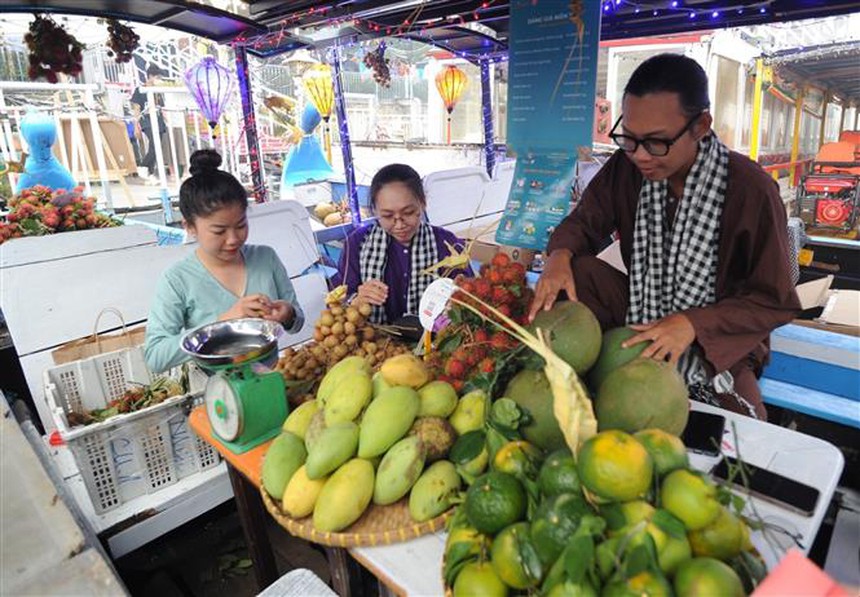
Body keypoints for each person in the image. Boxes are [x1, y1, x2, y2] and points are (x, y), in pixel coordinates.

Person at [527, 54, 800, 419]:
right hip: (642, 307)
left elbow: (773, 301)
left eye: (656, 142)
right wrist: (558, 256)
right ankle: (582, 374)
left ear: (701, 125)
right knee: (578, 270)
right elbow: (585, 222)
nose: (640, 156)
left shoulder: (751, 189)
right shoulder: (628, 167)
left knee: (742, 428)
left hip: (719, 338)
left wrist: (692, 323)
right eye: (629, 139)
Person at [144, 150, 304, 373]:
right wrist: (223, 323)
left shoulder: (266, 259)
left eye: (240, 226)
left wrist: (287, 314)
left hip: (273, 381)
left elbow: (297, 323)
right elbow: (155, 356)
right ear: (190, 227)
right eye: (219, 231)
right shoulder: (177, 280)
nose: (233, 239)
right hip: (217, 395)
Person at [333, 163, 472, 325]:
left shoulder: (446, 244)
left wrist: (457, 302)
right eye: (387, 215)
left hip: (434, 343)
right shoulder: (358, 243)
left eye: (408, 213)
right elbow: (339, 303)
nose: (399, 225)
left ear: (423, 203)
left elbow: (470, 297)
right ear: (375, 211)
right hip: (374, 344)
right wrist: (356, 301)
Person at [130, 64, 167, 183]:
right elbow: (136, 109)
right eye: (157, 77)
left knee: (157, 147)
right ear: (150, 76)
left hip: (159, 120)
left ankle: (149, 172)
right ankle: (143, 166)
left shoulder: (157, 91)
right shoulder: (140, 90)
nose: (158, 79)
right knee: (154, 145)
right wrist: (136, 126)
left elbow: (161, 107)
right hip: (147, 121)